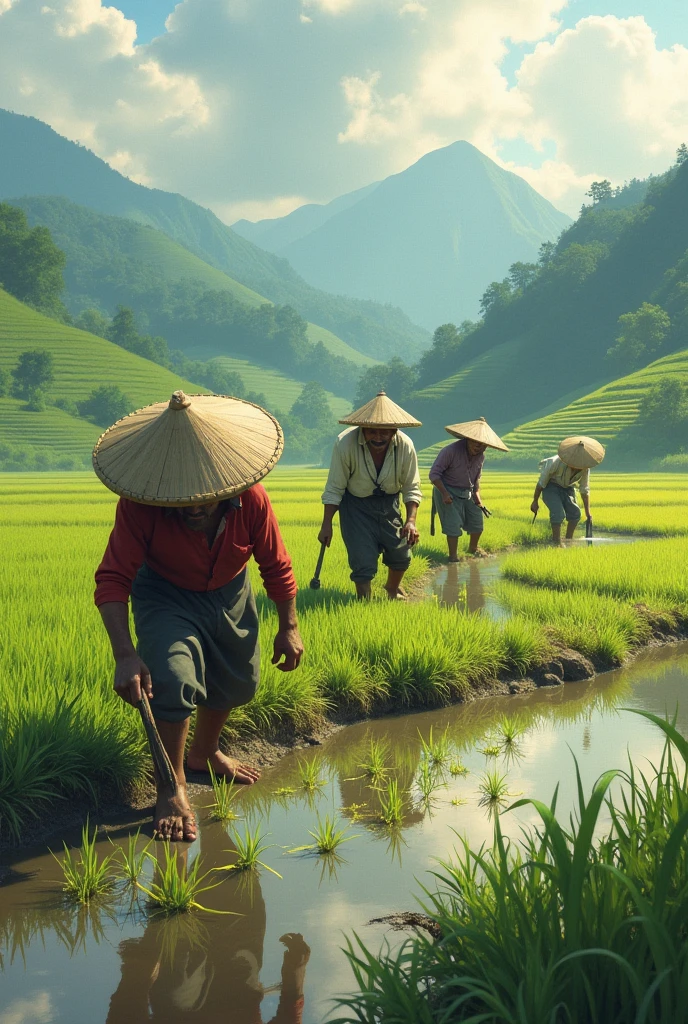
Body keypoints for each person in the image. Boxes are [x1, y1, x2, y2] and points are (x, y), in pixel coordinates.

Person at [93, 391, 304, 842]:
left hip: (230, 591)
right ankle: (173, 786)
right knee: (171, 678)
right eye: (182, 499)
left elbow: (276, 564)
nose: (193, 507)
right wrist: (125, 654)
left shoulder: (252, 501)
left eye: (203, 497)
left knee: (238, 680)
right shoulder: (141, 506)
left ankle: (204, 752)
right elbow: (113, 579)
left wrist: (289, 626)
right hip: (165, 594)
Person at [318, 391, 422, 600]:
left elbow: (411, 487)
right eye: (372, 431)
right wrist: (327, 524)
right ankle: (364, 600)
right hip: (355, 506)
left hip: (389, 504)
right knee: (362, 559)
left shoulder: (405, 446)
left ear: (394, 430)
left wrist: (411, 521)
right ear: (362, 428)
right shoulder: (345, 443)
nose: (378, 436)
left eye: (384, 432)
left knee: (400, 553)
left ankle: (392, 589)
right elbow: (335, 487)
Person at [429, 417, 508, 560]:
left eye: (482, 444)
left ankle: (473, 548)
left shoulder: (480, 456)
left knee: (477, 522)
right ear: (467, 439)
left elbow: (476, 479)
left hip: (468, 492)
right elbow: (434, 475)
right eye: (475, 443)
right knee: (453, 526)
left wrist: (478, 499)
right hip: (447, 489)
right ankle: (453, 557)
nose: (478, 447)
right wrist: (445, 494)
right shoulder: (449, 451)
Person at [530, 434, 605, 545]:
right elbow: (542, 483)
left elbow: (584, 489)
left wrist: (588, 513)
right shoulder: (555, 462)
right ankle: (556, 542)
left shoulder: (585, 467)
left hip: (567, 488)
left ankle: (568, 541)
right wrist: (535, 501)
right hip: (551, 486)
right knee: (558, 513)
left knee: (575, 513)